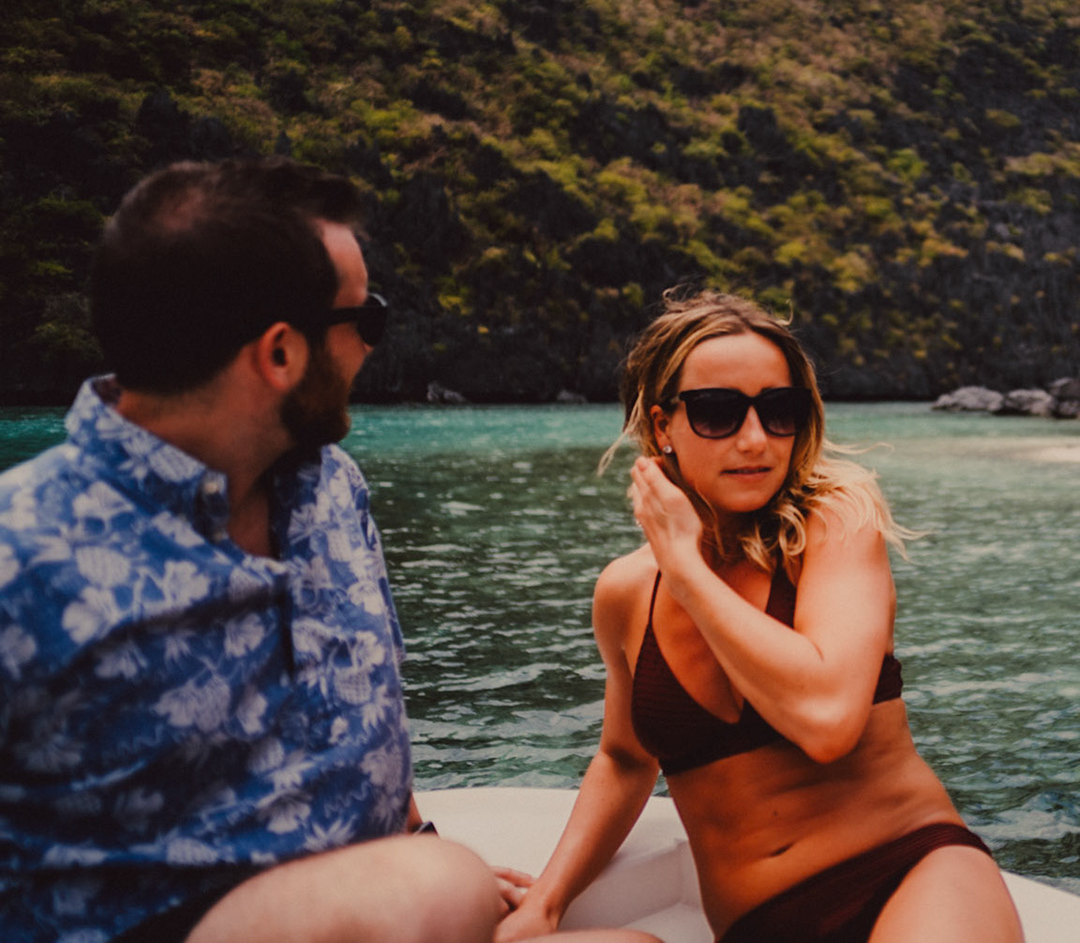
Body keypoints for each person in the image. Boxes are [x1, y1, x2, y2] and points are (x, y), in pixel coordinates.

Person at [0, 159, 504, 943]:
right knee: (445, 885)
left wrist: (410, 844)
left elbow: (363, 713)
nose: (373, 347)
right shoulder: (23, 555)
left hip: (377, 915)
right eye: (366, 319)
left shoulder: (333, 489)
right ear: (280, 354)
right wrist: (417, 889)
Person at [496, 291, 1023, 943]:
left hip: (909, 874)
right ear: (663, 426)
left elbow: (827, 720)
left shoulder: (834, 524)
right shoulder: (625, 593)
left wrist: (685, 569)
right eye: (717, 412)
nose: (754, 440)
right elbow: (626, 760)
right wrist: (547, 901)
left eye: (779, 411)